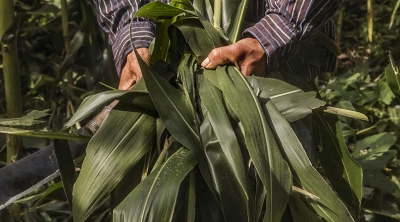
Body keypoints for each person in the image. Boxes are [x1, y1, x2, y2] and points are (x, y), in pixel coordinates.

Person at [93, 0, 341, 90]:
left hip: (280, 62)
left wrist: (273, 35)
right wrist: (133, 33)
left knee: (277, 181)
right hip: (167, 60)